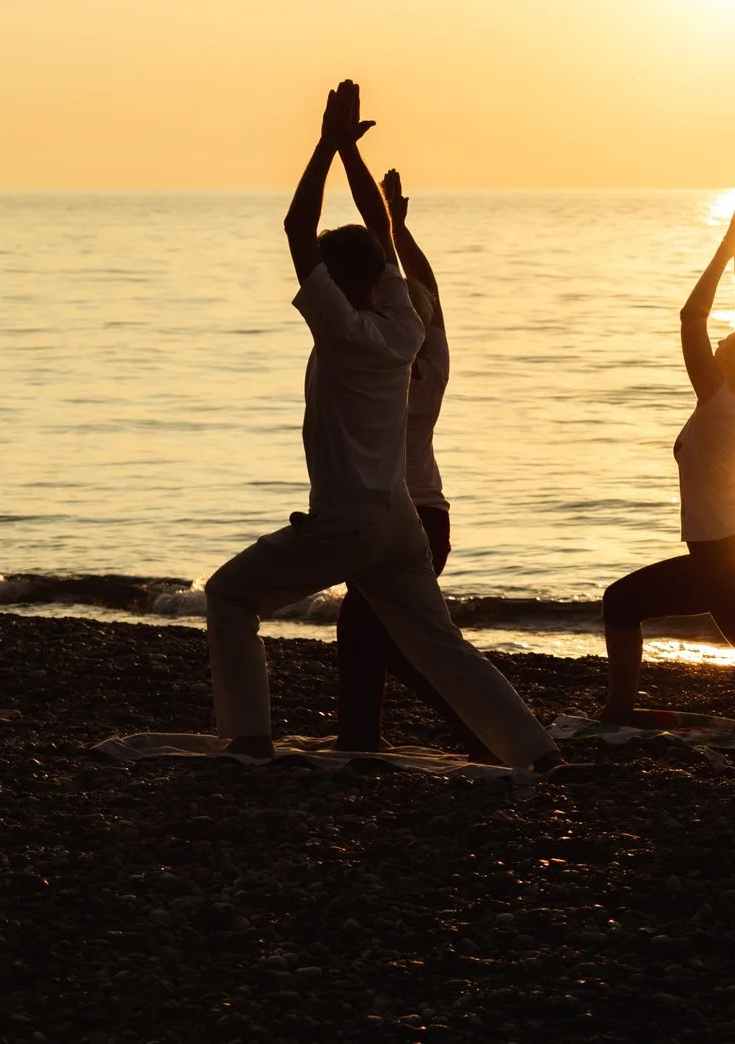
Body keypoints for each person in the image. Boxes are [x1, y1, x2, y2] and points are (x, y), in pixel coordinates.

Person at [204, 82, 567, 773]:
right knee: (440, 644)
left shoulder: (339, 328)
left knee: (229, 594)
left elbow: (295, 229)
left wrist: (322, 147)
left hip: (344, 524)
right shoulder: (402, 318)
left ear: (337, 283)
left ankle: (249, 735)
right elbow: (383, 229)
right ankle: (534, 749)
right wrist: (349, 154)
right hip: (399, 521)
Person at [596, 209, 735, 722]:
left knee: (621, 602)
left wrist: (724, 248)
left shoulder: (720, 400)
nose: (718, 341)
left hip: (724, 558)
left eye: (724, 346)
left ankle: (618, 709)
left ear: (730, 363)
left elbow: (691, 317)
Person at [332, 169, 487, 756]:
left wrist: (389, 222)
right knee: (367, 632)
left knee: (389, 637)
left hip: (402, 519)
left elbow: (399, 281)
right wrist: (397, 226)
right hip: (424, 518)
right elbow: (423, 284)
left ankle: (479, 727)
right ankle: (360, 738)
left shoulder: (374, 361)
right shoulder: (433, 361)